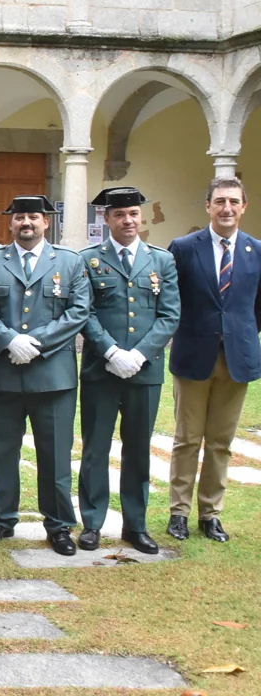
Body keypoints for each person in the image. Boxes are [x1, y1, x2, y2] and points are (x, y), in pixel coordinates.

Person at [0, 195, 90, 556]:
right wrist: (9, 341)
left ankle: (59, 525)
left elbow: (78, 310)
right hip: (1, 373)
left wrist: (35, 343)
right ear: (10, 223)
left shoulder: (69, 262)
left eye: (34, 217)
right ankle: (2, 519)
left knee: (54, 455)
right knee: (2, 451)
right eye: (20, 217)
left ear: (46, 222)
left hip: (52, 376)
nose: (27, 223)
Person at [77, 186, 179, 554]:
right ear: (107, 219)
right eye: (119, 214)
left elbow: (169, 314)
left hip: (144, 371)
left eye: (134, 213)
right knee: (95, 448)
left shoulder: (161, 260)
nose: (128, 220)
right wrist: (110, 351)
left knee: (137, 449)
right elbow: (83, 312)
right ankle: (92, 523)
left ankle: (136, 525)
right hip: (101, 371)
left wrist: (140, 354)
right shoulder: (88, 260)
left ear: (142, 217)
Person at [166, 177, 261, 543]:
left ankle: (210, 514)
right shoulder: (185, 247)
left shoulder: (256, 251)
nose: (227, 208)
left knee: (221, 442)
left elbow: (255, 308)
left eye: (233, 202)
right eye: (219, 201)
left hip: (237, 358)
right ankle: (179, 513)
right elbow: (172, 301)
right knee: (186, 439)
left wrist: (240, 334)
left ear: (243, 206)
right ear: (208, 206)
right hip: (194, 355)